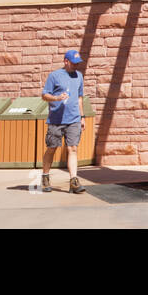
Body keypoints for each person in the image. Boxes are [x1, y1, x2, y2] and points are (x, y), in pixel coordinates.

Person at [40, 50, 88, 193]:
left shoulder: (79, 76)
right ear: (66, 61)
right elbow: (44, 95)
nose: (76, 66)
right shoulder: (54, 76)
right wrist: (56, 98)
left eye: (78, 63)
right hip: (56, 119)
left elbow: (79, 98)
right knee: (52, 148)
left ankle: (73, 180)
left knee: (72, 148)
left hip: (73, 119)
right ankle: (45, 176)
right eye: (74, 63)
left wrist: (82, 117)